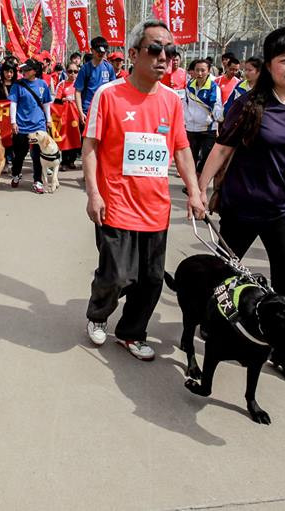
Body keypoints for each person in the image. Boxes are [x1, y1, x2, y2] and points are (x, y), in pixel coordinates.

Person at [196, 27, 285, 384]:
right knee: (222, 277)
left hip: (283, 210)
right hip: (241, 207)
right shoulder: (250, 104)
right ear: (269, 65)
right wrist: (199, 191)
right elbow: (222, 148)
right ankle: (211, 327)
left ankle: (284, 352)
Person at [83, 20, 205, 359]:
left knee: (151, 280)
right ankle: (98, 315)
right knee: (117, 274)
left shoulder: (172, 101)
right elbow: (90, 146)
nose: (163, 57)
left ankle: (131, 332)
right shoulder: (109, 96)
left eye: (170, 51)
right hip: (116, 204)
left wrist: (194, 192)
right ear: (134, 54)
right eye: (155, 49)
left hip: (155, 208)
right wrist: (93, 193)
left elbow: (181, 149)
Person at [9, 59, 52, 193]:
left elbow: (46, 104)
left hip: (38, 126)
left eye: (27, 70)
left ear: (34, 71)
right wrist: (13, 122)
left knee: (37, 155)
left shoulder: (42, 85)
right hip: (22, 126)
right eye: (22, 70)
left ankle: (37, 181)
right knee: (20, 155)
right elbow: (13, 104)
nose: (24, 72)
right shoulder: (18, 85)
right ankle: (16, 174)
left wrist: (48, 119)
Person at [184, 58, 222, 172]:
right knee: (191, 158)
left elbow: (217, 105)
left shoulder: (213, 88)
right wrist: (185, 122)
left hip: (208, 129)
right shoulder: (189, 86)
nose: (200, 73)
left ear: (208, 71)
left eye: (203, 70)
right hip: (191, 128)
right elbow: (185, 105)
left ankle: (200, 183)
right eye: (197, 70)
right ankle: (192, 185)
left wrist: (218, 119)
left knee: (205, 158)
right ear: (193, 71)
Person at [75, 36, 117, 121]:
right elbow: (78, 91)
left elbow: (114, 90)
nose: (101, 54)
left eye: (103, 52)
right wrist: (80, 112)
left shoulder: (109, 68)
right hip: (88, 111)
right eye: (98, 52)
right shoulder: (85, 69)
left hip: (105, 110)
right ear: (92, 50)